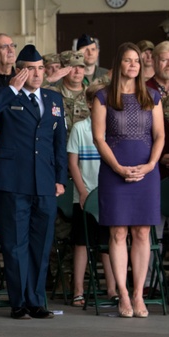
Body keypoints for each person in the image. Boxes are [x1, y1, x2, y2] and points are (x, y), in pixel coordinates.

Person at [0, 44, 67, 320]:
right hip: (13, 180)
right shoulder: (5, 96)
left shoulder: (53, 99)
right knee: (15, 243)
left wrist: (61, 178)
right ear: (19, 72)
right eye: (31, 69)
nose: (38, 74)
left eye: (41, 69)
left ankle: (37, 301)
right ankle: (18, 302)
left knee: (41, 243)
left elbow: (58, 142)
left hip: (45, 181)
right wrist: (11, 90)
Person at [91, 42, 163, 319]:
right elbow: (99, 138)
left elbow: (159, 136)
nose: (133, 65)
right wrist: (119, 168)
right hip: (114, 170)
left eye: (137, 61)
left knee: (143, 232)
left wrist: (150, 165)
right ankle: (122, 293)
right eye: (128, 60)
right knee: (118, 232)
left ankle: (138, 294)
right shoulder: (103, 97)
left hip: (147, 171)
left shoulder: (152, 96)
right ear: (118, 63)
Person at [67, 81, 115, 307]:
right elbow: (73, 164)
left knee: (109, 242)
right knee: (82, 243)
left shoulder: (114, 129)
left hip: (108, 196)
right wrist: (83, 192)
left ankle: (113, 288)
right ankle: (78, 289)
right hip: (85, 197)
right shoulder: (80, 129)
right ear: (88, 104)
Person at [146, 40, 169, 178]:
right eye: (165, 60)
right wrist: (158, 154)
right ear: (154, 61)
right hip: (152, 167)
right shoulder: (142, 91)